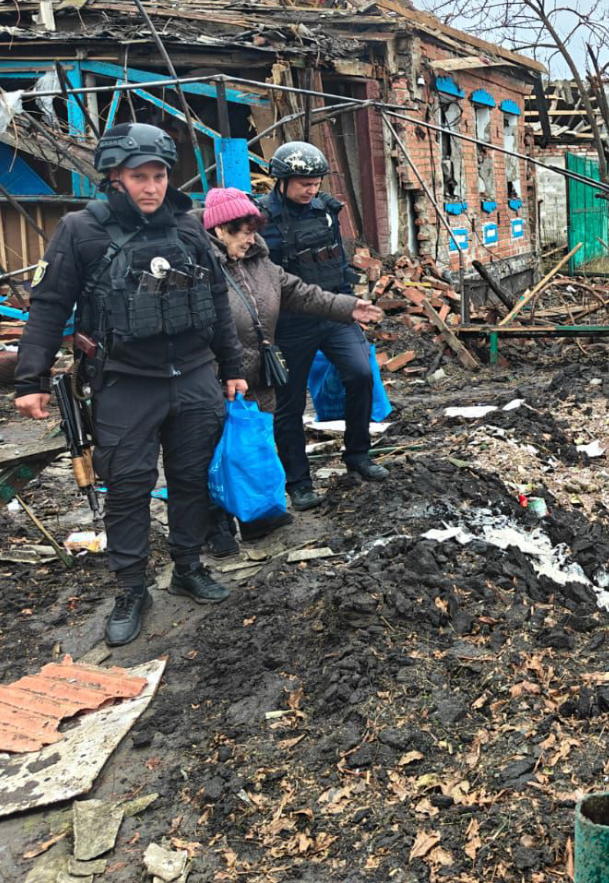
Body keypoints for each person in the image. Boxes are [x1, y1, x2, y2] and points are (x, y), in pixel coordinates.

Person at [13, 123, 247, 647]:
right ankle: (131, 588)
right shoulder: (80, 230)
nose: (151, 186)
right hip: (124, 383)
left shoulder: (188, 229)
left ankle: (188, 566)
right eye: (138, 176)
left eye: (159, 175)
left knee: (190, 480)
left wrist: (232, 368)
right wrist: (31, 380)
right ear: (115, 178)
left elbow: (215, 305)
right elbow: (49, 306)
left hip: (192, 378)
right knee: (127, 488)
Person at [201, 187, 382, 553]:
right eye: (244, 232)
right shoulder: (200, 267)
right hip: (214, 374)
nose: (252, 240)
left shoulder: (259, 263)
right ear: (219, 230)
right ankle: (215, 526)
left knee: (253, 444)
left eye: (254, 231)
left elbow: (301, 293)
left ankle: (256, 517)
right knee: (214, 448)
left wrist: (348, 308)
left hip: (255, 372)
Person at [260, 142, 388, 510]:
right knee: (288, 404)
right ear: (282, 180)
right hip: (289, 325)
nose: (311, 190)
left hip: (334, 314)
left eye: (316, 183)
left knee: (361, 374)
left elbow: (337, 264)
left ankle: (358, 455)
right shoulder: (261, 219)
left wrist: (350, 309)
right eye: (304, 183)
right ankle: (298, 482)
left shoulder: (327, 212)